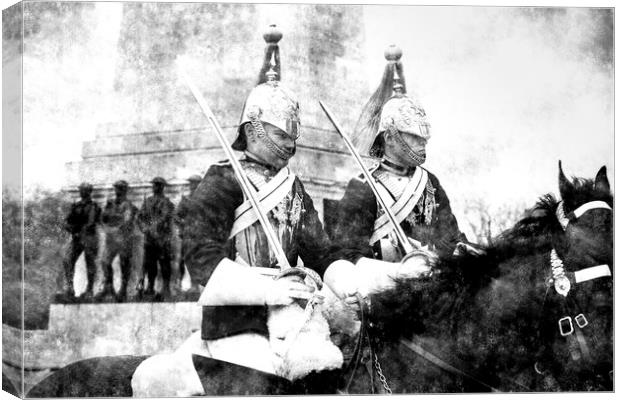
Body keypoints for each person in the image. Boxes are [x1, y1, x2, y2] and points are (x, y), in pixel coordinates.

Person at [331, 45, 476, 268]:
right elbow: (349, 252)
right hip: (384, 289)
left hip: (430, 283)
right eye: (414, 137)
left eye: (423, 138)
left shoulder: (430, 183)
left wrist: (466, 251)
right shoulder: (362, 186)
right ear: (389, 138)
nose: (422, 143)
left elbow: (451, 238)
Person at [61, 182, 100, 302]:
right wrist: (71, 229)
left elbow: (91, 223)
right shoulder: (76, 206)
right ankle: (70, 287)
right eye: (81, 190)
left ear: (89, 192)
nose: (81, 192)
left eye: (84, 190)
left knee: (90, 264)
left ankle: (90, 289)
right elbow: (67, 221)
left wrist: (79, 231)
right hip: (77, 238)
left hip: (89, 238)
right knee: (67, 259)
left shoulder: (94, 206)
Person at [98, 180, 137, 302]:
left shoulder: (128, 205)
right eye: (116, 188)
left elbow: (127, 221)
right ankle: (108, 287)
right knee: (104, 262)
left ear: (125, 190)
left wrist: (113, 221)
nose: (118, 191)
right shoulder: (110, 204)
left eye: (121, 188)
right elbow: (103, 219)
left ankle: (123, 290)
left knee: (124, 264)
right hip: (111, 239)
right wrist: (110, 220)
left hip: (124, 239)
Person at [137, 177, 175, 299]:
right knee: (150, 264)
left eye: (158, 185)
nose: (155, 187)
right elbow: (139, 217)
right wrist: (144, 228)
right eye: (154, 185)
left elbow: (164, 217)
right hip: (150, 238)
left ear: (162, 187)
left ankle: (166, 287)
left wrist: (152, 228)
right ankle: (150, 286)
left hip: (162, 238)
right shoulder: (147, 202)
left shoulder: (167, 202)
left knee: (165, 264)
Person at [174, 174, 202, 287]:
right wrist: (183, 226)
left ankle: (195, 285)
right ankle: (181, 283)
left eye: (195, 183)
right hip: (187, 235)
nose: (193, 186)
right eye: (191, 183)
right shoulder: (185, 200)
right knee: (183, 259)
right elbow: (176, 216)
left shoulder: (204, 199)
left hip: (201, 235)